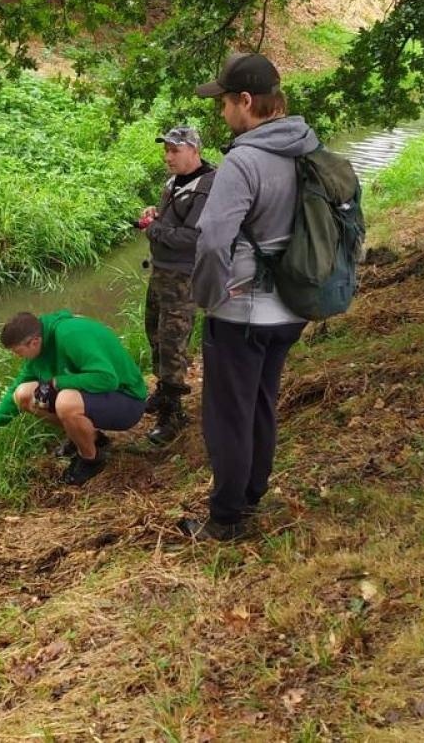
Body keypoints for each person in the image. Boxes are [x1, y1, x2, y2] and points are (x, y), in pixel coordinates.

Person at [182, 52, 314, 541]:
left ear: (245, 101)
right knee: (261, 402)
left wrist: (208, 300)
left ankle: (226, 519)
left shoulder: (244, 160)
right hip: (291, 308)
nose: (221, 113)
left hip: (241, 312)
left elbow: (214, 240)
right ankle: (252, 493)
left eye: (223, 103)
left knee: (228, 417)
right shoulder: (306, 148)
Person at [0, 309, 149, 485]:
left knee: (66, 402)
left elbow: (107, 379)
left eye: (17, 351)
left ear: (34, 342)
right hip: (99, 395)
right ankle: (93, 439)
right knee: (23, 395)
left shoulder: (69, 335)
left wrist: (57, 382)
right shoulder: (39, 350)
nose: (17, 357)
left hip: (128, 400)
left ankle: (91, 459)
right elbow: (16, 389)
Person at [138, 126, 216, 445]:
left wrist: (154, 230)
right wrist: (154, 215)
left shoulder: (209, 186)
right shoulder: (172, 182)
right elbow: (171, 221)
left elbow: (194, 238)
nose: (168, 156)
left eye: (175, 150)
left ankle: (173, 414)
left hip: (183, 278)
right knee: (154, 333)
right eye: (166, 150)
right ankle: (164, 390)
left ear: (194, 151)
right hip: (160, 272)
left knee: (173, 342)